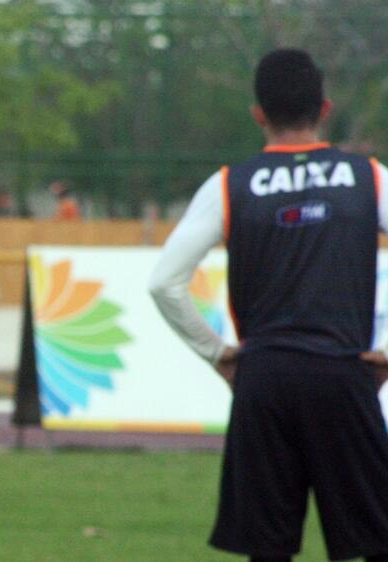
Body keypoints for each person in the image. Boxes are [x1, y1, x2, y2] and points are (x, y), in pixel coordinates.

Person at [149, 48, 388, 562]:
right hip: (343, 375)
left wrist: (217, 353)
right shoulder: (368, 176)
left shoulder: (230, 185)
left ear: (258, 113)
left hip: (265, 380)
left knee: (269, 548)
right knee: (378, 539)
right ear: (325, 109)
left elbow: (164, 282)